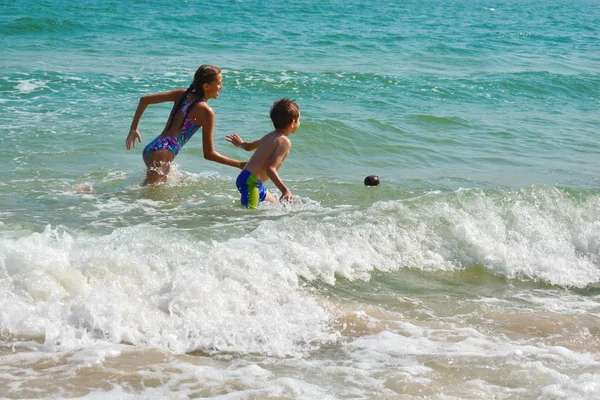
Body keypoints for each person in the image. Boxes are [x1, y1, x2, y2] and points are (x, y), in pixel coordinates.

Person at [125, 64, 246, 185]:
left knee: (175, 182)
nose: (221, 86)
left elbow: (144, 100)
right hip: (164, 152)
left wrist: (133, 129)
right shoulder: (206, 111)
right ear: (206, 86)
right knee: (146, 198)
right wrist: (239, 164)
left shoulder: (182, 94)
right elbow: (209, 154)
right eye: (219, 83)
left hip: (154, 148)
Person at [225, 98, 300, 209]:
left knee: (274, 204)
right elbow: (271, 169)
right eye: (299, 120)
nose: (299, 123)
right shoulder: (284, 141)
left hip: (248, 178)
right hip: (251, 182)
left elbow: (248, 147)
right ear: (292, 123)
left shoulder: (270, 136)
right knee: (249, 216)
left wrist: (240, 143)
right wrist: (285, 190)